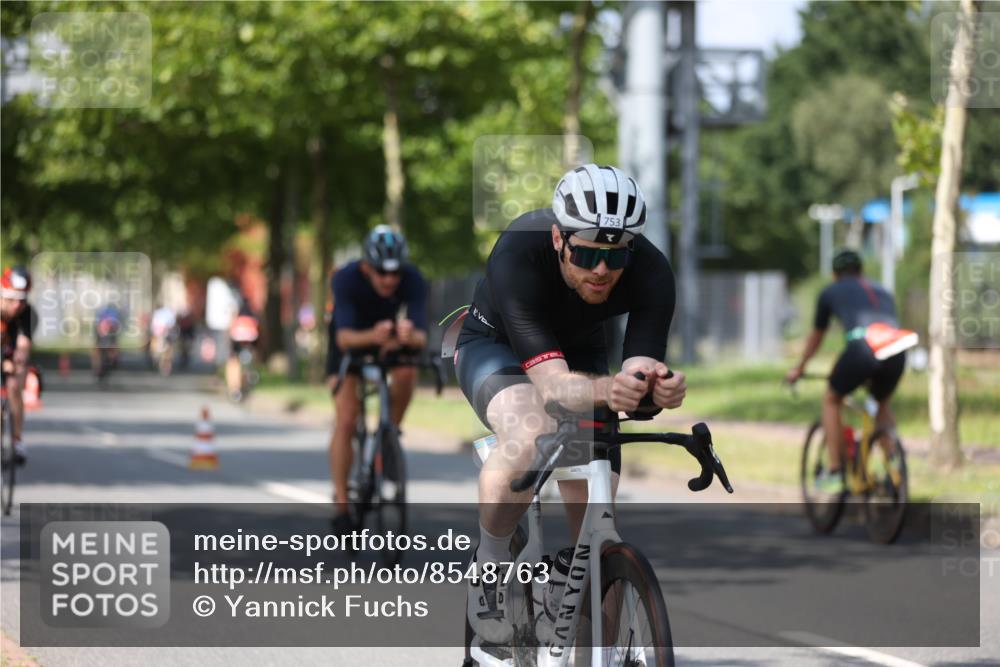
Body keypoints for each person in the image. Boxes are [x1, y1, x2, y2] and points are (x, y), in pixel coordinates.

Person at [451, 164, 686, 645]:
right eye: (586, 253)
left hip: (581, 354)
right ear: (559, 238)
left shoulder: (652, 271)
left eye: (614, 258)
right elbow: (555, 388)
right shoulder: (519, 251)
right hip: (498, 348)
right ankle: (490, 567)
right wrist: (610, 389)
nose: (602, 270)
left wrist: (654, 390)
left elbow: (635, 375)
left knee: (599, 520)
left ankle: (600, 637)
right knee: (531, 430)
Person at [785, 249, 916, 494]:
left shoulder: (829, 292)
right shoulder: (882, 290)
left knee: (832, 399)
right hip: (896, 348)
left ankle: (835, 470)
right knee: (881, 403)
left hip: (863, 348)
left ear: (834, 275)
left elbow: (816, 337)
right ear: (861, 271)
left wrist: (799, 368)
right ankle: (895, 464)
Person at [325, 225, 428, 531]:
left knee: (408, 370)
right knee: (346, 418)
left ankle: (389, 437)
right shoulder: (345, 278)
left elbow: (422, 337)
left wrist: (410, 336)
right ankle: (342, 505)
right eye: (381, 272)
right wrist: (373, 335)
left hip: (389, 343)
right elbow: (343, 338)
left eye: (395, 274)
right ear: (367, 266)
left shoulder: (414, 280)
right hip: (350, 345)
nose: (389, 280)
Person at [1, 266, 37, 465]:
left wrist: (16, 361)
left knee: (16, 380)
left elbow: (23, 346)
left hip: (11, 353)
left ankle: (17, 439)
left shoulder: (27, 313)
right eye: (11, 298)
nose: (17, 305)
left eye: (22, 300)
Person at [226, 296, 259, 402]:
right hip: (250, 339)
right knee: (250, 355)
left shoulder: (237, 316)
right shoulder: (252, 315)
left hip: (238, 338)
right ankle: (251, 374)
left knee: (233, 362)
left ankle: (234, 388)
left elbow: (231, 332)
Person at [92, 302, 123, 378]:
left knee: (98, 349)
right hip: (108, 332)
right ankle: (114, 360)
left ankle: (98, 366)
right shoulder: (114, 314)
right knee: (113, 346)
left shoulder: (102, 313)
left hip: (102, 332)